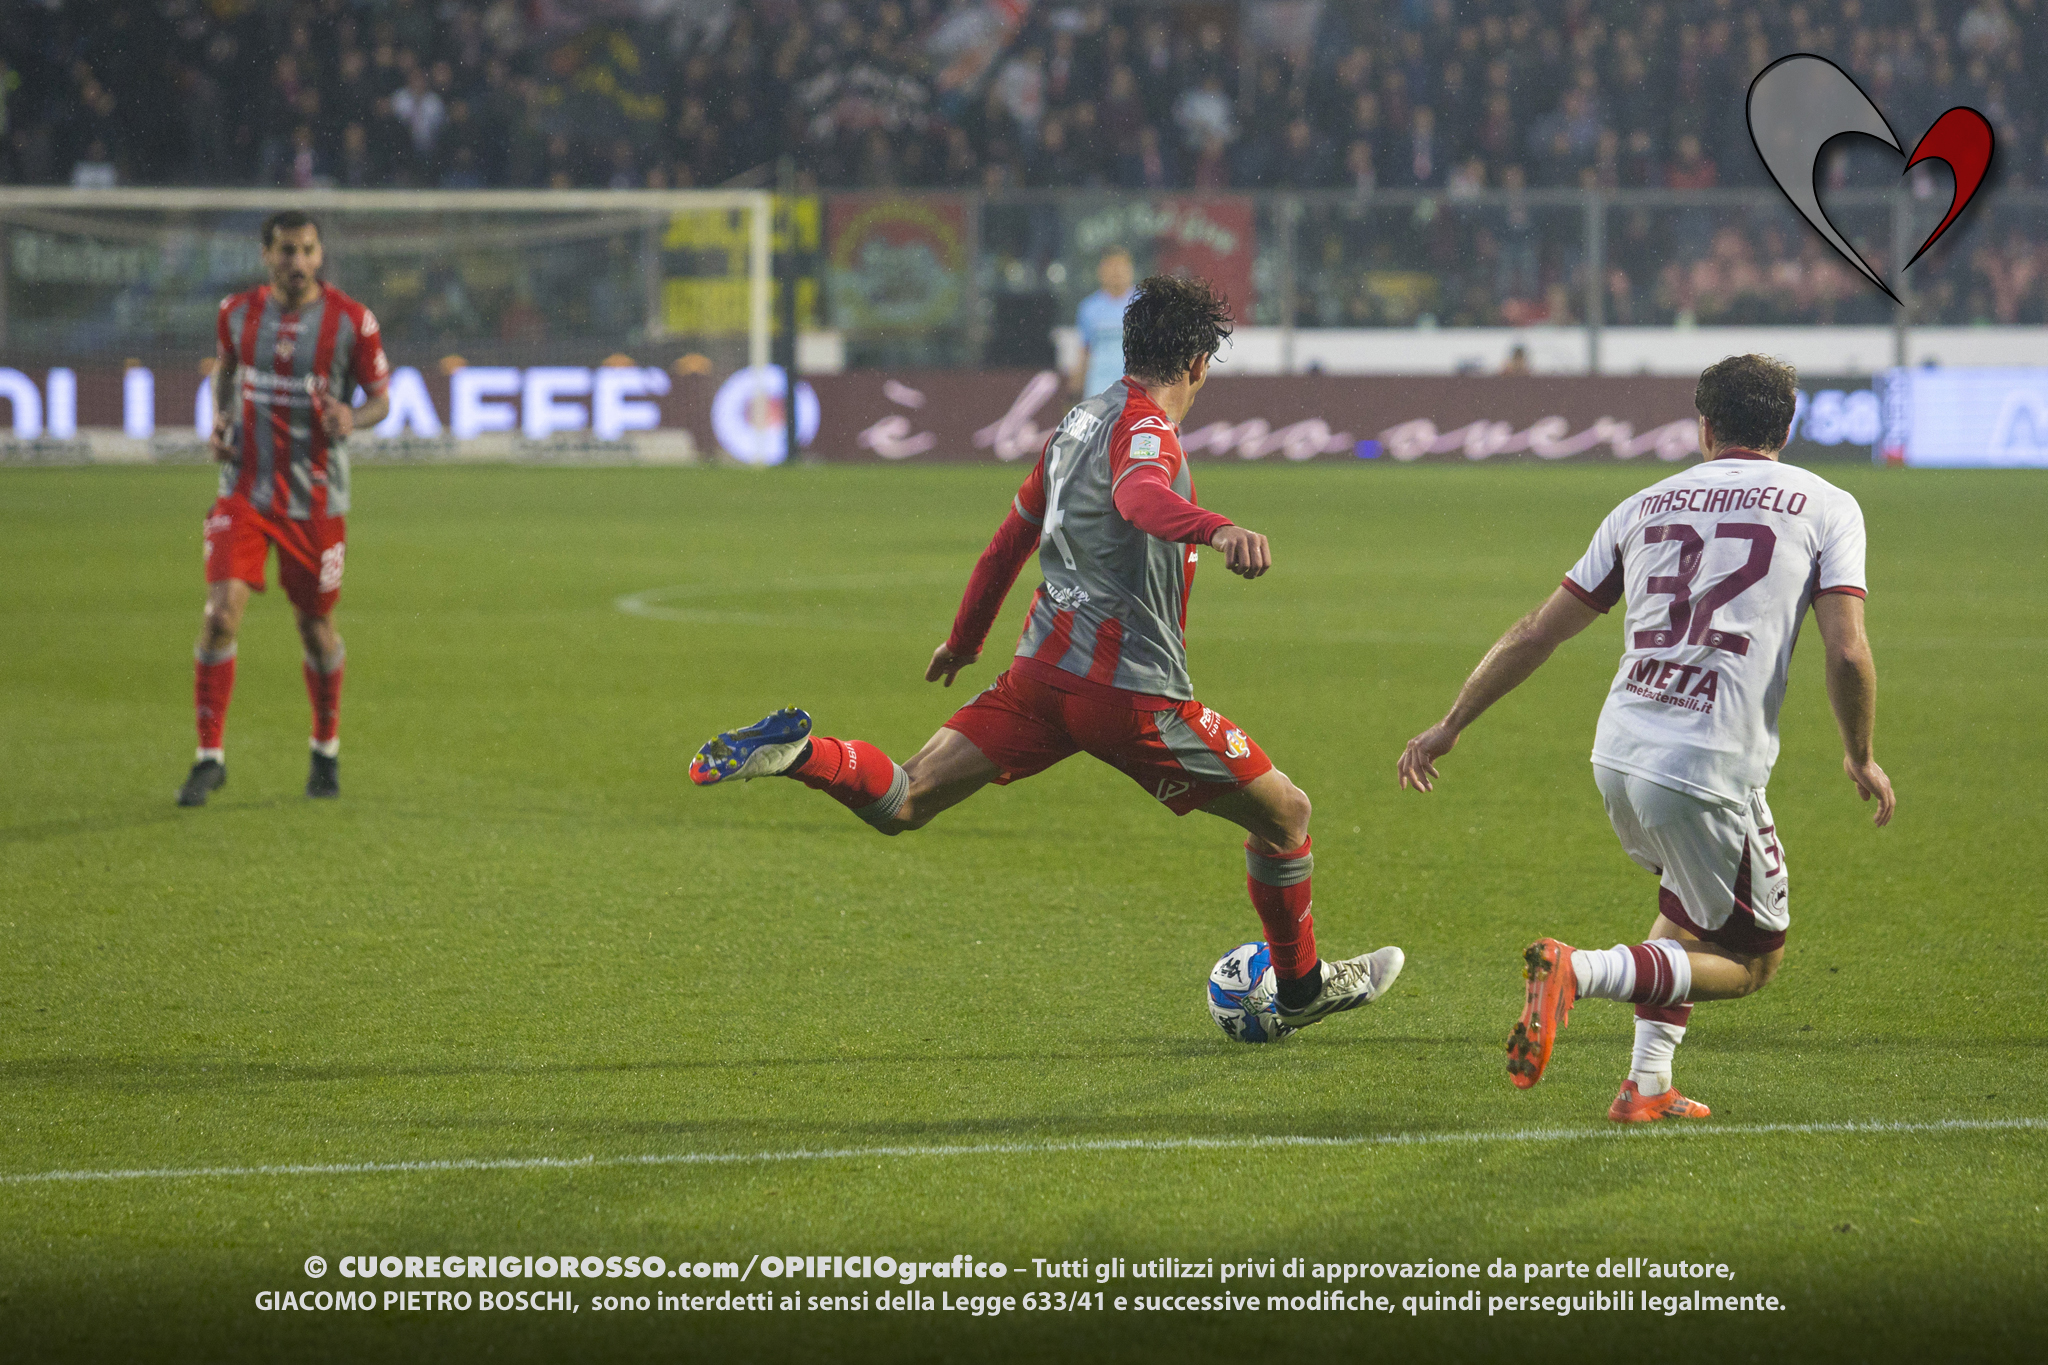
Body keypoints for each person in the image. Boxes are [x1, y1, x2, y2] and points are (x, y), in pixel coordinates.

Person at [693, 276, 1403, 1035]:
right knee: (1287, 815)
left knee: (907, 798)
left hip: (1038, 678)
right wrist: (1217, 527)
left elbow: (1010, 540)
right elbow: (1139, 499)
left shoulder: (1077, 421)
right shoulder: (1146, 431)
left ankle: (800, 754)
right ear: (1198, 364)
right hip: (1129, 695)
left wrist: (965, 639)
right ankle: (1299, 988)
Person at [1396, 354, 1894, 1121]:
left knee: (1688, 907)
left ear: (1704, 425)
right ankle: (1581, 971)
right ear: (1789, 427)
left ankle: (1646, 1083)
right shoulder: (1826, 505)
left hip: (1619, 753)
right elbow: (1848, 650)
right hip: (1707, 766)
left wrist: (1450, 723)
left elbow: (1535, 631)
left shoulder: (1642, 505)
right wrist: (1859, 753)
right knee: (1752, 962)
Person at [177, 210, 392, 807]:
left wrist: (352, 417)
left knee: (315, 629)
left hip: (315, 501)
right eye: (286, 250)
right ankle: (209, 757)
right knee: (220, 615)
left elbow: (380, 401)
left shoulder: (352, 321)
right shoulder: (236, 313)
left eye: (307, 250)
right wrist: (220, 419)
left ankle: (325, 748)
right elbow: (226, 370)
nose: (297, 261)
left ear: (320, 255)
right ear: (266, 255)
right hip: (245, 489)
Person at [1070, 248, 1136, 399]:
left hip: (1135, 391)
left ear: (1130, 270)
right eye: (1111, 266)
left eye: (1121, 266)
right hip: (1099, 389)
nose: (1116, 272)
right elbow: (1085, 350)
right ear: (1101, 271)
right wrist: (1076, 386)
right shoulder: (1089, 308)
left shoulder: (1145, 305)